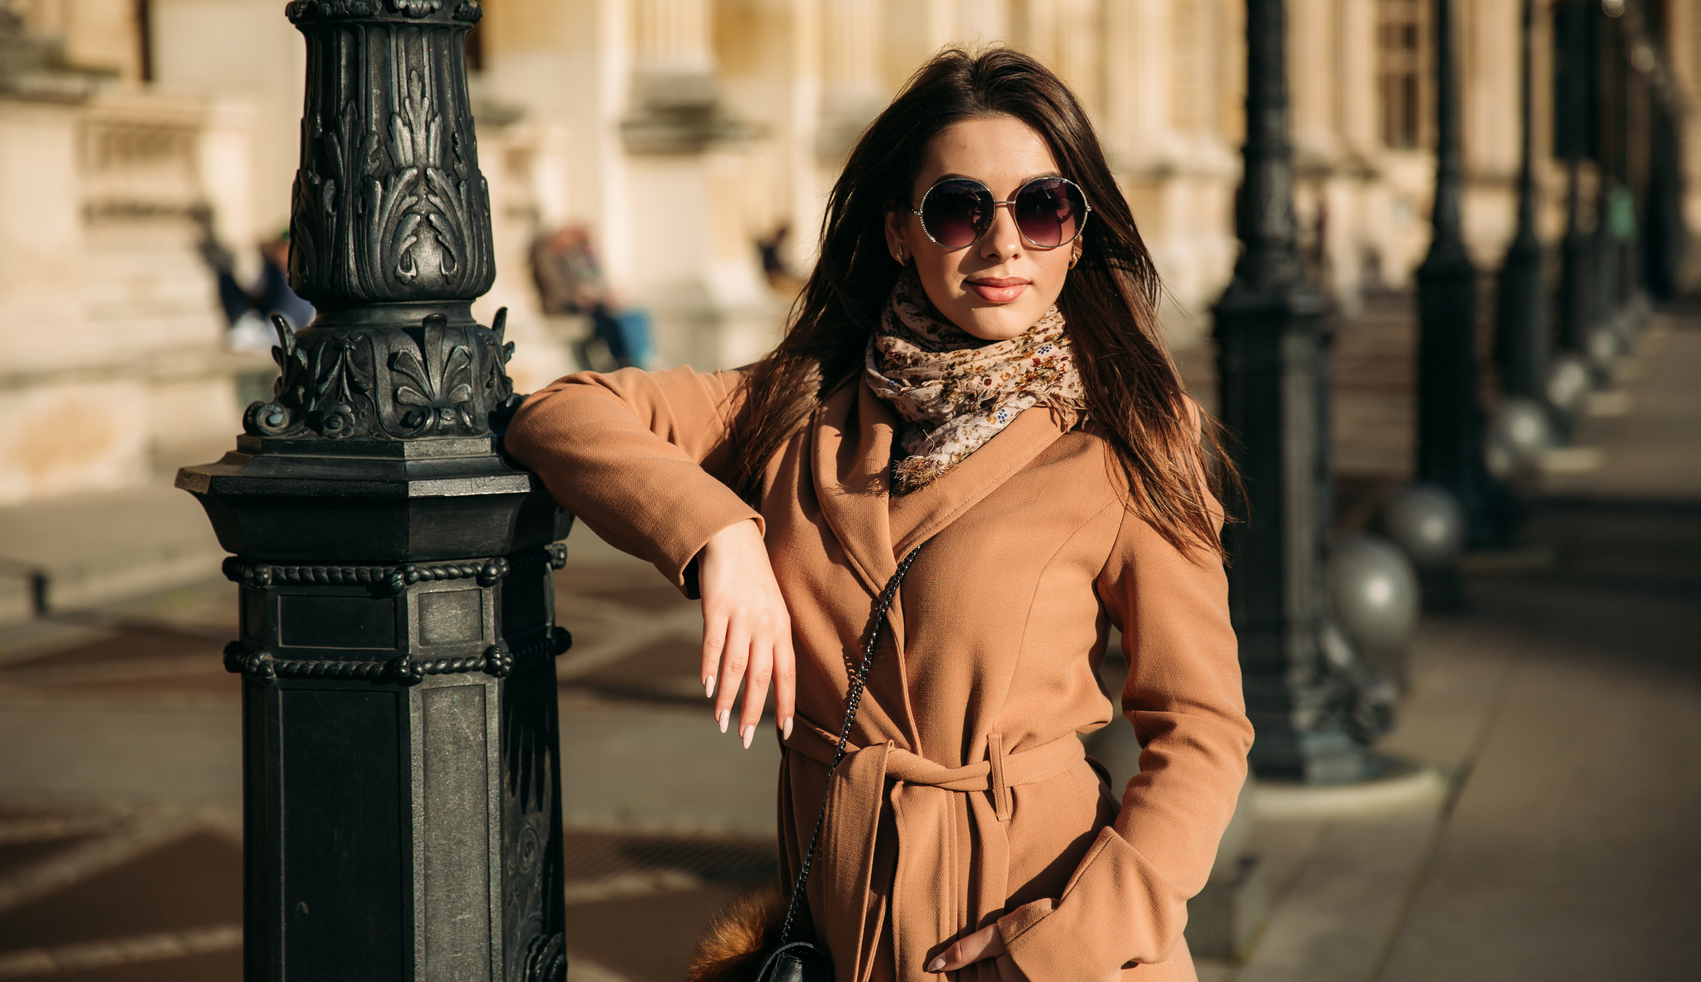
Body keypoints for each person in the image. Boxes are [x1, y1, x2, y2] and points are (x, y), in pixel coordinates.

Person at [505, 48, 1252, 981]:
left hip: (1041, 935)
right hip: (842, 938)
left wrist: (1063, 944)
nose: (1004, 243)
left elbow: (1202, 730)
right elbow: (560, 411)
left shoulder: (1128, 433)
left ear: (1076, 228)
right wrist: (720, 536)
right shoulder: (801, 403)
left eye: (1042, 206)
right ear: (902, 232)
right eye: (960, 208)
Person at [530, 224, 650, 369]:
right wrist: (578, 298)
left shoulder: (565, 256)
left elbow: (583, 281)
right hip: (559, 304)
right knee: (601, 315)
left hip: (575, 301)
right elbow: (554, 288)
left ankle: (624, 358)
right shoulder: (545, 257)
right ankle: (620, 360)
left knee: (609, 314)